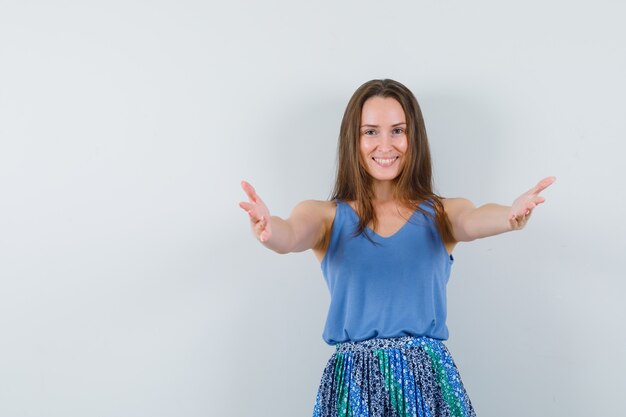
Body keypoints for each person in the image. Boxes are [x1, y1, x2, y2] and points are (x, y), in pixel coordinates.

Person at [239, 79, 555, 417]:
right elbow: (289, 236)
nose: (385, 145)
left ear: (413, 136)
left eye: (398, 130)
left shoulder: (441, 214)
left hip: (427, 382)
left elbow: (474, 220)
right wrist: (268, 229)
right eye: (371, 132)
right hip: (353, 387)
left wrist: (509, 216)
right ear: (353, 139)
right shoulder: (325, 216)